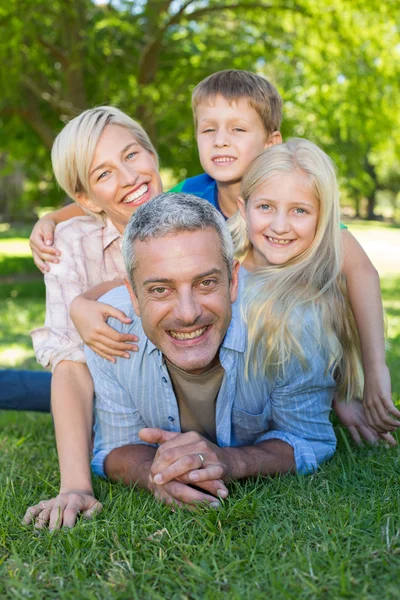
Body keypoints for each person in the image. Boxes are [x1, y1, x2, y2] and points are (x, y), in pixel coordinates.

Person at [28, 70, 398, 434]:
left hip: (290, 344)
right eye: (209, 130)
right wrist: (53, 218)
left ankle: (330, 392)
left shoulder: (292, 199)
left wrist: (369, 376)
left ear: (272, 142)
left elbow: (359, 275)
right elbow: (124, 194)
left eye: (237, 129)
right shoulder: (190, 197)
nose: (222, 141)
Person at [25, 192, 340, 528]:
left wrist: (232, 462)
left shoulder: (293, 327)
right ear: (133, 295)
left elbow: (310, 439)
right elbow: (114, 448)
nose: (188, 314)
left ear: (233, 281)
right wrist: (156, 473)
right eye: (161, 289)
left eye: (206, 283)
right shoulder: (110, 329)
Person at [24, 106, 163, 528]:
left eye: (132, 155)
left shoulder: (199, 221)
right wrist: (75, 486)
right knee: (32, 386)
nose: (129, 177)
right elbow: (69, 365)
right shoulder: (69, 245)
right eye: (103, 174)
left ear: (152, 154)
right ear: (84, 199)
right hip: (108, 405)